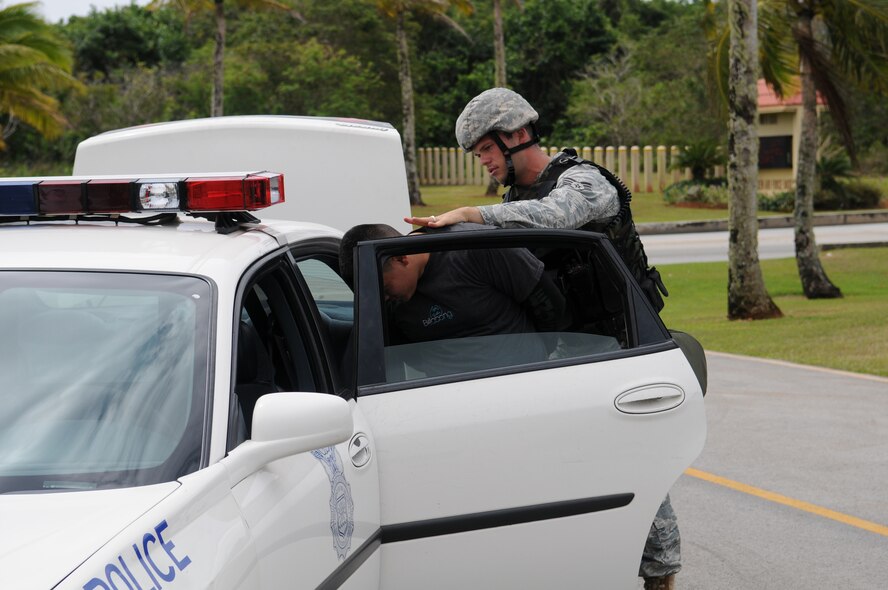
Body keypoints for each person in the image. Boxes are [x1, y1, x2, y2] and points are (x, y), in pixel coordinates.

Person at [404, 87, 678, 590]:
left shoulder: (584, 180)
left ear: (515, 136)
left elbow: (559, 216)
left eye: (486, 150)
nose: (483, 162)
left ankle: (661, 574)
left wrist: (473, 216)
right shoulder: (515, 200)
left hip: (624, 343)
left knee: (637, 456)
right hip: (568, 349)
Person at [339, 223, 568, 366]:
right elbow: (397, 352)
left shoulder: (476, 247)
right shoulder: (385, 295)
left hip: (521, 380)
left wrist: (541, 360)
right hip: (446, 399)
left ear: (401, 258)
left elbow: (548, 303)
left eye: (386, 289)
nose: (384, 299)